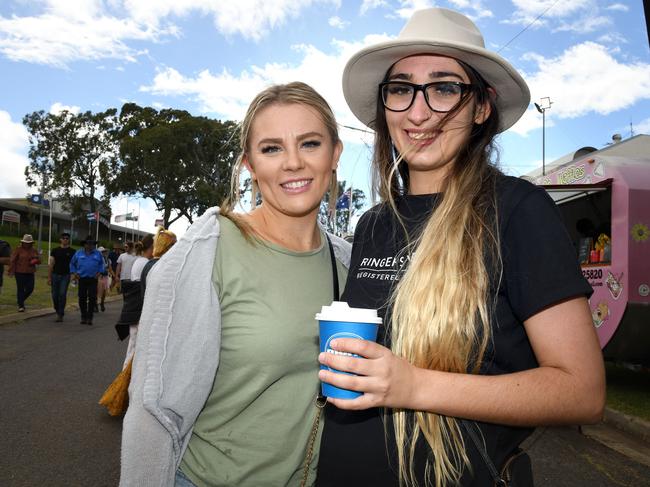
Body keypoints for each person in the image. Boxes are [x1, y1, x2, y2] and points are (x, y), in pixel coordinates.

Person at [316, 8, 605, 487]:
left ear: (481, 107)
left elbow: (583, 391)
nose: (419, 110)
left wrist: (414, 385)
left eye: (445, 87)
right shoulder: (373, 223)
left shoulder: (517, 210)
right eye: (401, 88)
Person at [120, 82, 350, 487]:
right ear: (249, 165)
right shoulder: (207, 250)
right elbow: (153, 409)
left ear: (335, 154)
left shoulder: (349, 261)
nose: (293, 162)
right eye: (272, 148)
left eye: (310, 143)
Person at [116, 235, 154, 367]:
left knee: (134, 344)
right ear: (152, 247)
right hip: (138, 306)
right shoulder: (145, 263)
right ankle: (125, 377)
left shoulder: (139, 260)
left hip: (135, 305)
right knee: (134, 345)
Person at [70, 235, 105, 325]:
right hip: (82, 278)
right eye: (88, 244)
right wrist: (74, 273)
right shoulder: (78, 253)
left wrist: (100, 272)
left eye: (92, 244)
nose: (90, 245)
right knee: (82, 298)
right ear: (84, 244)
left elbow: (102, 264)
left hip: (93, 279)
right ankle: (83, 316)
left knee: (92, 297)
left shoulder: (98, 254)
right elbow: (72, 264)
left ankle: (90, 317)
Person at [139, 226, 177, 297]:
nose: (176, 247)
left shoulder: (151, 264)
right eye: (172, 244)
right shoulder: (157, 266)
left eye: (176, 244)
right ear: (164, 245)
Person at [8, 234, 40, 312]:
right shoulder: (18, 249)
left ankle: (20, 300)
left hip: (30, 272)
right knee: (20, 289)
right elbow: (12, 260)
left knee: (30, 288)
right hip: (19, 272)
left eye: (29, 242)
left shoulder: (34, 250)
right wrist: (11, 271)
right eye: (26, 242)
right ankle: (21, 305)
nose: (27, 244)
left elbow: (39, 260)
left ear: (31, 243)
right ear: (23, 242)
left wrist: (36, 260)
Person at [48, 232, 76, 322]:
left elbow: (75, 264)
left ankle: (60, 313)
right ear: (60, 239)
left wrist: (74, 275)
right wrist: (49, 277)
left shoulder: (72, 251)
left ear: (69, 240)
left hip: (66, 275)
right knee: (54, 295)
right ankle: (57, 309)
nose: (65, 239)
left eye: (67, 238)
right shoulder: (55, 250)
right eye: (63, 238)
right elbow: (51, 264)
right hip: (55, 275)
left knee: (62, 294)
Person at [96, 246, 111, 312]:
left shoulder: (107, 259)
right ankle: (95, 305)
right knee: (97, 291)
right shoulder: (97, 259)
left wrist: (114, 275)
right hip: (99, 276)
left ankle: (102, 303)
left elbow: (110, 268)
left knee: (104, 292)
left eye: (104, 251)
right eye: (102, 252)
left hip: (105, 276)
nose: (104, 253)